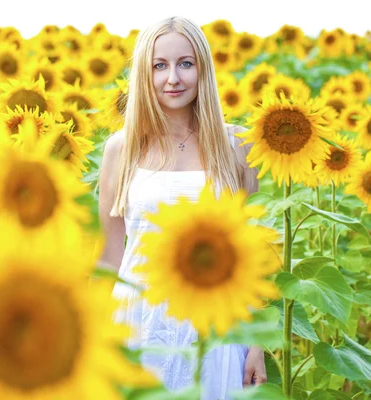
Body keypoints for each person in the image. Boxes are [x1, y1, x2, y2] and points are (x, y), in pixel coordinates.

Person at [98, 16, 265, 398]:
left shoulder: (236, 146)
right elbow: (109, 255)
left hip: (213, 321)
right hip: (137, 319)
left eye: (185, 63)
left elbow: (248, 255)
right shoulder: (122, 149)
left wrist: (256, 342)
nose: (173, 77)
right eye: (160, 65)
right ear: (145, 73)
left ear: (202, 69)